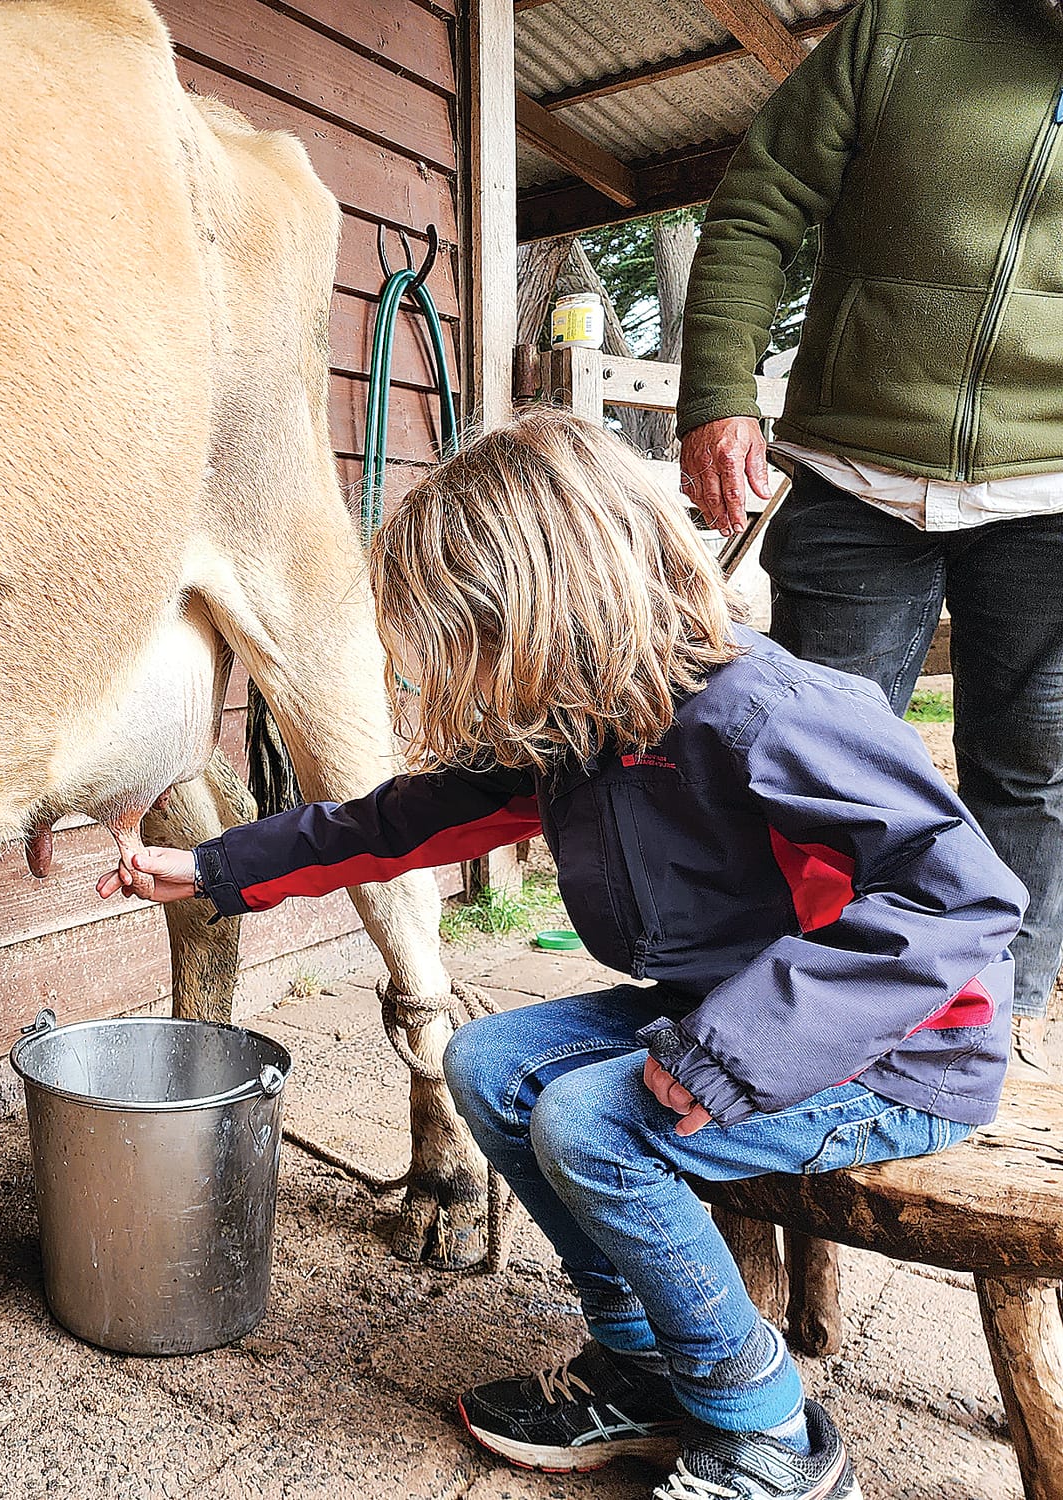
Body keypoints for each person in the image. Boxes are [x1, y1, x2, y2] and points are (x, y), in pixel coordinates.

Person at [100, 411, 1024, 1500]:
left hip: (899, 1055)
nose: (461, 681)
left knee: (587, 1123)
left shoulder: (765, 716)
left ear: (554, 609)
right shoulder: (580, 730)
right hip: (726, 1018)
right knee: (487, 1065)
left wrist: (731, 1048)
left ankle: (767, 1428)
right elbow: (389, 823)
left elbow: (960, 898)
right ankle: (636, 1363)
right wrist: (209, 869)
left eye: (470, 644)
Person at [677, 0, 1063, 1081]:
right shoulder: (903, 23)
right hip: (854, 469)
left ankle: (1004, 1003)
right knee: (812, 760)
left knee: (1030, 763)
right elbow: (757, 205)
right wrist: (713, 392)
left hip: (1050, 491)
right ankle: (801, 995)